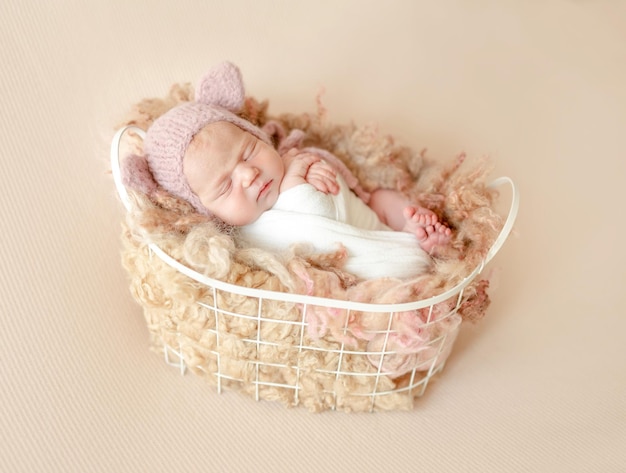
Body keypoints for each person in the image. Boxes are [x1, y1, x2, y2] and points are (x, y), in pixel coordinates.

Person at [122, 62, 451, 279]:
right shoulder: (240, 241)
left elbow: (349, 192)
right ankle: (412, 249)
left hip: (372, 224)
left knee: (380, 196)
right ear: (204, 212)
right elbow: (308, 229)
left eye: (249, 152)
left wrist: (307, 170)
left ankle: (410, 226)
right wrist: (297, 187)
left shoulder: (296, 157)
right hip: (364, 270)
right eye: (224, 187)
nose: (248, 175)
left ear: (261, 136)